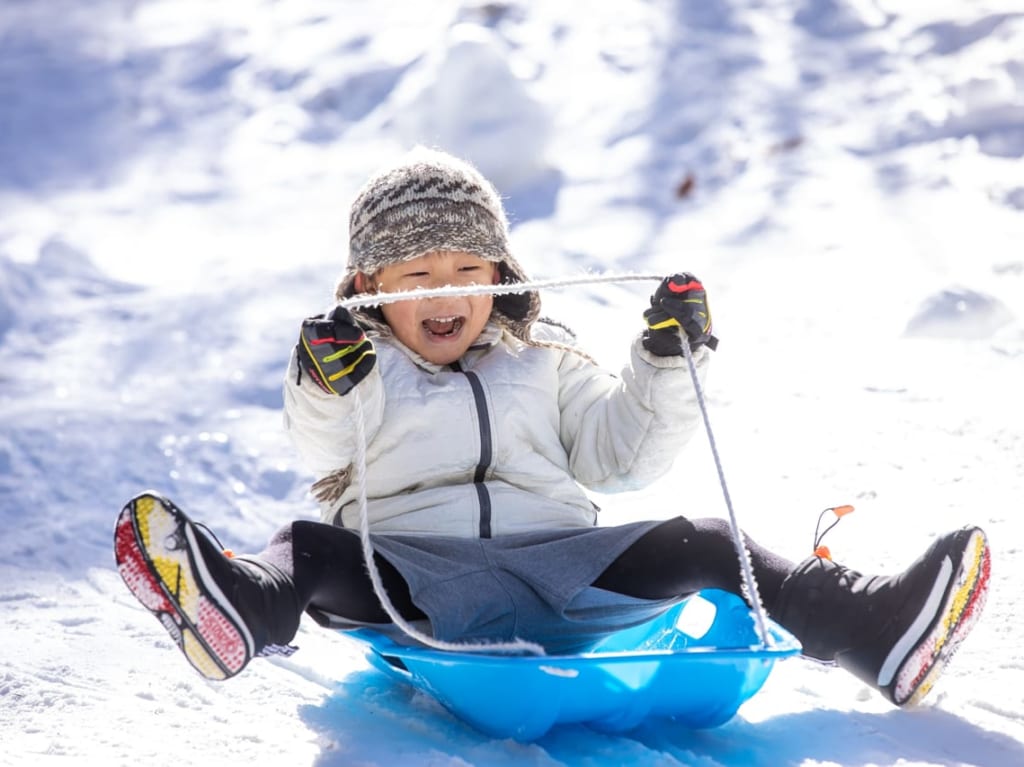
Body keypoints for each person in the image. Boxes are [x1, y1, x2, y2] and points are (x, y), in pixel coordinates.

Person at [114, 147, 989, 708]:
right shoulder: (362, 366)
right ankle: (239, 603)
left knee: (709, 537)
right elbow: (325, 447)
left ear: (501, 271)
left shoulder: (546, 358)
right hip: (417, 582)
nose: (444, 293)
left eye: (467, 268)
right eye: (413, 275)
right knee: (307, 543)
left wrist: (663, 361)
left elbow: (620, 459)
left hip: (566, 573)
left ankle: (871, 629)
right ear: (368, 287)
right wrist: (324, 379)